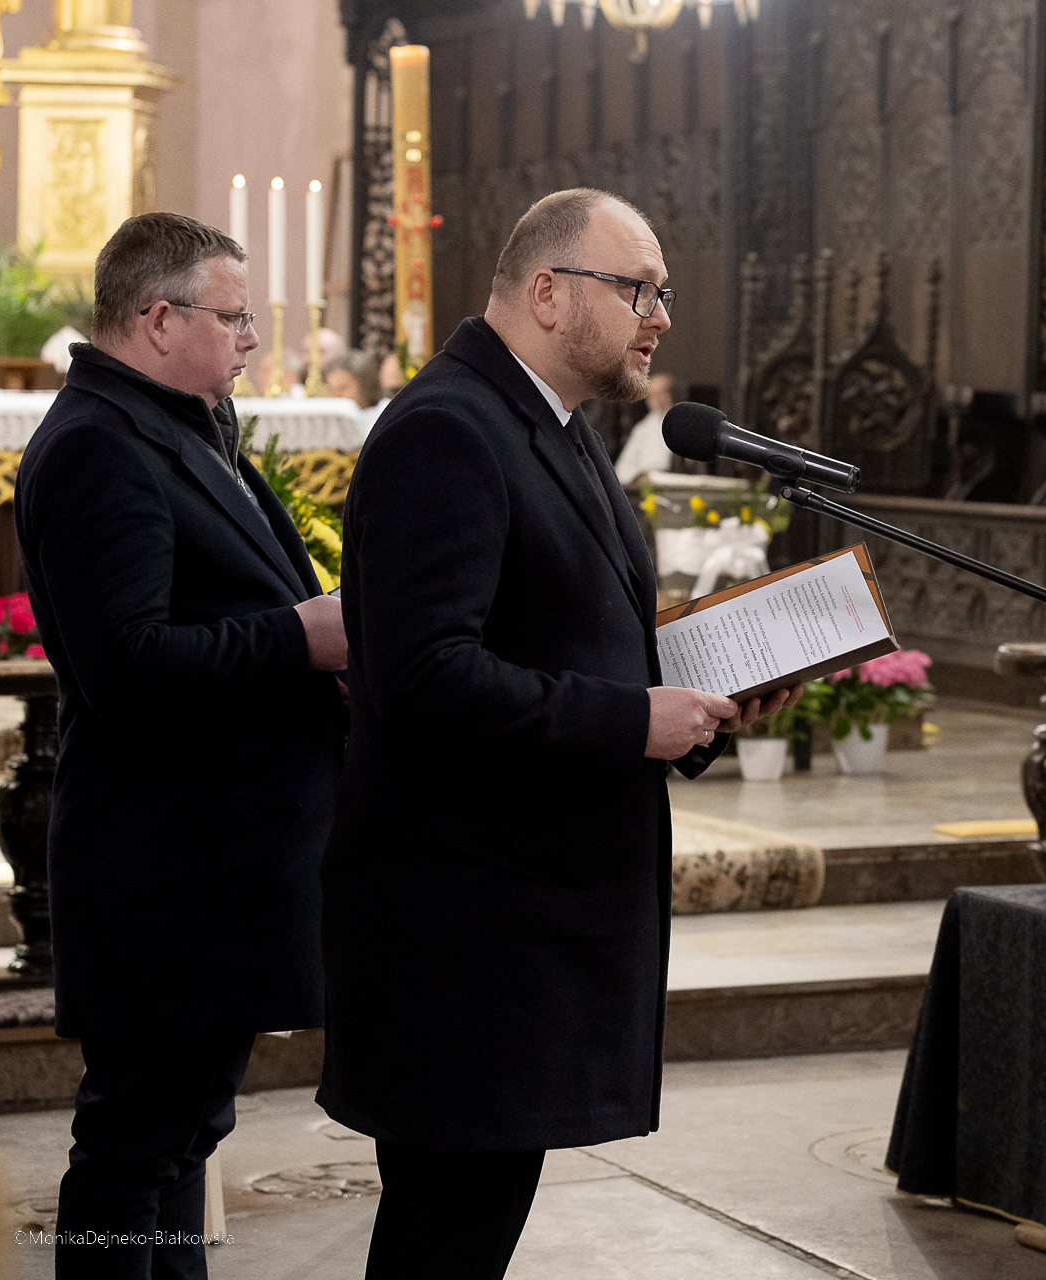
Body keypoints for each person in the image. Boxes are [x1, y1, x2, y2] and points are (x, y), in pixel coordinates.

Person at [316, 187, 797, 1280]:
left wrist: (702, 699)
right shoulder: (448, 429)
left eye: (661, 293)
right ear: (546, 291)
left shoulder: (552, 427)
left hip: (522, 921)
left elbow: (561, 635)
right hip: (466, 931)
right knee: (444, 1241)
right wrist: (633, 717)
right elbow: (423, 676)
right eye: (639, 290)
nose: (660, 317)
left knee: (468, 1233)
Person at [12, 212, 347, 1279]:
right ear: (159, 319)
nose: (251, 338)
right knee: (132, 1148)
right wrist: (300, 636)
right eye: (233, 316)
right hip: (163, 863)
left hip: (216, 861)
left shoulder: (179, 423)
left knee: (181, 1136)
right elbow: (126, 666)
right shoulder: (99, 445)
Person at [612, 369, 675, 483]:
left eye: (662, 393)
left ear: (671, 394)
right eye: (652, 395)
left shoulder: (684, 423)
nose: (658, 399)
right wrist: (641, 477)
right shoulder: (642, 429)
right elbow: (621, 469)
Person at [324, 350, 389, 432]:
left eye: (342, 388)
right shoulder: (331, 421)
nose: (337, 396)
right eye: (332, 390)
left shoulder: (386, 412)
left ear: (365, 385)